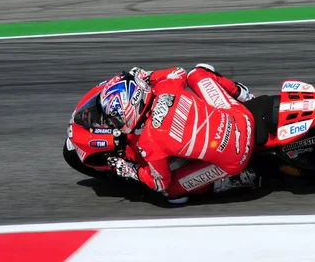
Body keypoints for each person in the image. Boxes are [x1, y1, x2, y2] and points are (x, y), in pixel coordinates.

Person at [100, 64, 259, 204]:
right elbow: (178, 71)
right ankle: (247, 97)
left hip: (236, 158)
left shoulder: (147, 142)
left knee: (171, 192)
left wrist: (132, 170)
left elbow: (160, 183)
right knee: (198, 72)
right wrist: (147, 76)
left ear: (130, 110)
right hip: (243, 118)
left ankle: (232, 180)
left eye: (116, 117)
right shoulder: (166, 87)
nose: (115, 122)